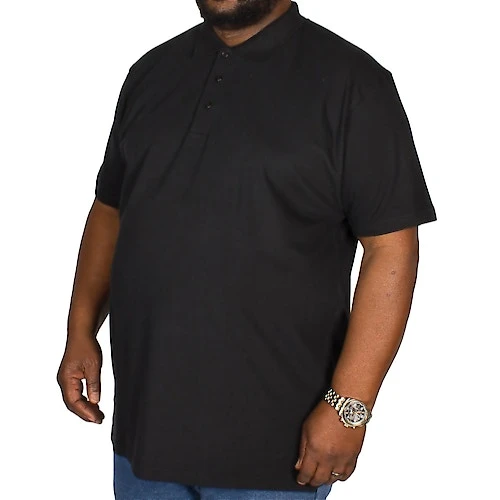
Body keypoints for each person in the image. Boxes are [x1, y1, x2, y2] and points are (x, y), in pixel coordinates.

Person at [57, 1, 437, 499]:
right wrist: (80, 329)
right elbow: (111, 210)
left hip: (277, 451)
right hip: (144, 440)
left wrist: (350, 406)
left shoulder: (354, 84)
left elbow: (391, 249)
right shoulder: (150, 73)